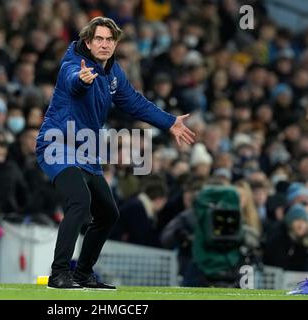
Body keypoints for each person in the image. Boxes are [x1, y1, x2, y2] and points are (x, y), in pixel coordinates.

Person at [35, 17, 195, 290]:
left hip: (86, 150)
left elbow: (134, 102)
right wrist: (83, 81)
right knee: (79, 201)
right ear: (88, 41)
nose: (105, 44)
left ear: (116, 43)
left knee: (108, 213)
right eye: (99, 39)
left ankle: (83, 274)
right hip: (57, 144)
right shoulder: (73, 64)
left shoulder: (113, 73)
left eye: (110, 40)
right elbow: (73, 81)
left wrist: (169, 122)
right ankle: (59, 274)